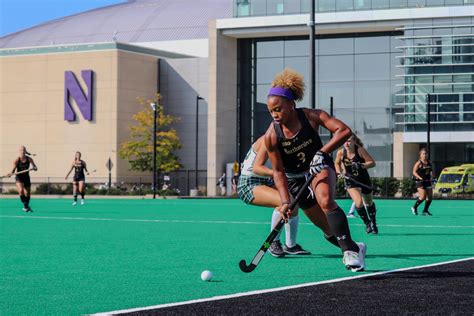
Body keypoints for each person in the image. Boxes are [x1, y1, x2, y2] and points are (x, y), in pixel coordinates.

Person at [264, 68, 366, 272]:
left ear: (291, 104)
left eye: (278, 109)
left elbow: (344, 131)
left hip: (319, 167)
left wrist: (322, 152)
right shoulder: (271, 136)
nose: (275, 114)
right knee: (327, 229)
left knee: (326, 200)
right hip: (295, 179)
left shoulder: (311, 116)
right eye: (271, 111)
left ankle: (350, 254)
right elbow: (278, 172)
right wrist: (285, 201)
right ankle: (355, 248)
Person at [237, 136, 311, 257]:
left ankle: (291, 246)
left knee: (293, 205)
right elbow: (257, 168)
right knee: (284, 202)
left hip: (268, 180)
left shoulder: (287, 141)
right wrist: (279, 174)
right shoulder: (270, 138)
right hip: (249, 182)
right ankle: (273, 242)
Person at [335, 134, 378, 234]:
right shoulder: (341, 152)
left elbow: (372, 163)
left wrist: (361, 165)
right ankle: (367, 223)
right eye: (345, 141)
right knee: (358, 203)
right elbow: (336, 163)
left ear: (354, 141)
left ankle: (373, 222)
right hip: (351, 181)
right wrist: (339, 172)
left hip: (363, 180)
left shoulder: (360, 150)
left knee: (369, 203)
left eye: (349, 141)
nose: (346, 143)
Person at [8, 146, 38, 212]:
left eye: (24, 150)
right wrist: (10, 174)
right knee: (21, 191)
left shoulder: (29, 159)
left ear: (25, 151)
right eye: (21, 150)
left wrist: (34, 168)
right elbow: (13, 170)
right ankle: (26, 206)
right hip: (19, 177)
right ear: (19, 151)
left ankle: (26, 207)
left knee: (27, 194)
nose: (23, 151)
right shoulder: (17, 160)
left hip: (26, 177)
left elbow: (35, 167)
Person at [411, 148, 434, 216]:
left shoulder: (429, 162)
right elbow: (414, 172)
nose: (425, 155)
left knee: (430, 197)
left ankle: (425, 211)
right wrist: (419, 177)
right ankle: (414, 207)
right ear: (420, 155)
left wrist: (433, 177)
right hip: (420, 181)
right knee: (423, 197)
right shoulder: (419, 163)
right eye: (423, 154)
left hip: (428, 181)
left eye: (426, 154)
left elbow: (431, 171)